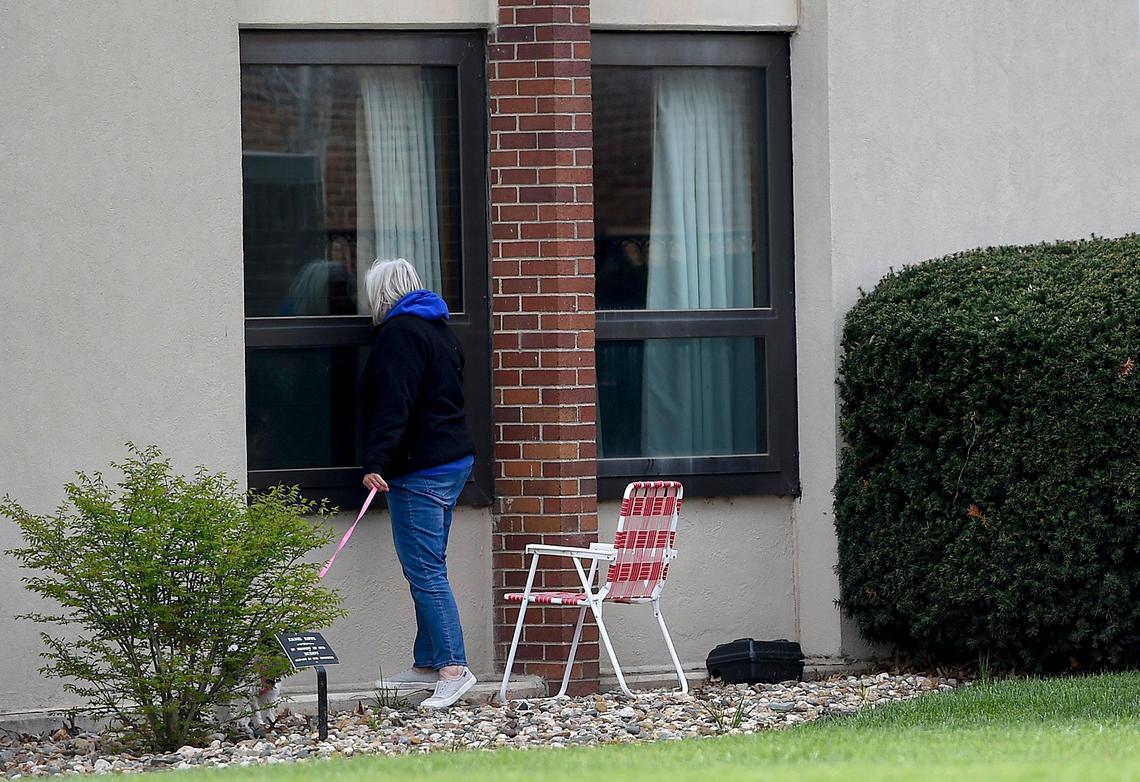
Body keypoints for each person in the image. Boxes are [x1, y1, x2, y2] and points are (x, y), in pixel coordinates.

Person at [359, 258, 477, 709]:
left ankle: (452, 668)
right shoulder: (438, 329)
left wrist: (376, 461)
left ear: (380, 293)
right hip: (452, 462)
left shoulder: (399, 335)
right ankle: (427, 663)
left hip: (419, 470)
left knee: (426, 572)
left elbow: (396, 403)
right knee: (428, 566)